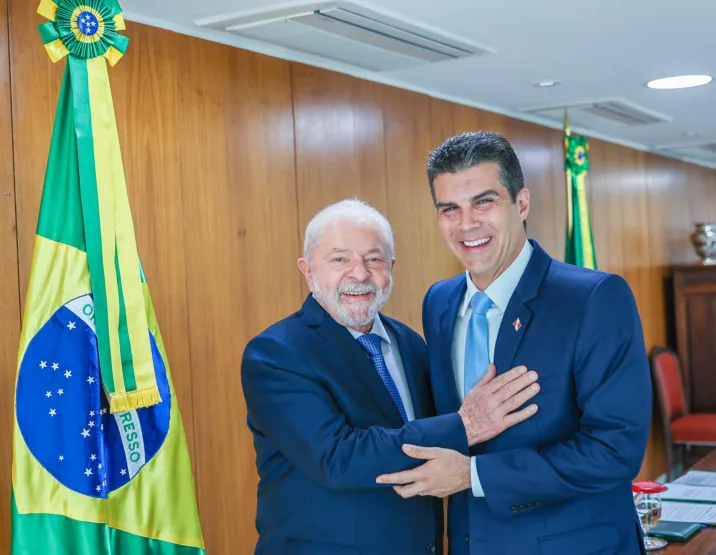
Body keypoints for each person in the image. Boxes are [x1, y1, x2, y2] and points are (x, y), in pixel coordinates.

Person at [376, 132, 652, 554]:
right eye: (449, 208)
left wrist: (475, 475)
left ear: (521, 204)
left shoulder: (594, 298)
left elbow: (615, 449)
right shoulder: (439, 302)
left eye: (484, 202)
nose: (466, 224)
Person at [240, 198, 540, 555]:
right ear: (307, 270)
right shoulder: (275, 353)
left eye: (374, 259)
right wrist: (466, 425)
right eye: (339, 259)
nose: (360, 274)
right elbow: (337, 457)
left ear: (391, 267)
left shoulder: (413, 345)